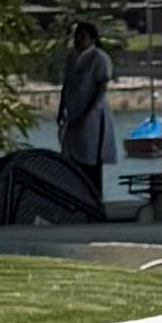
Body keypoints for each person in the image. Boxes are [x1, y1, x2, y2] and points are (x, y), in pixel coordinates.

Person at [54, 16, 113, 205]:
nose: (78, 40)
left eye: (83, 36)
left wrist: (87, 114)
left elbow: (101, 88)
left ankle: (96, 200)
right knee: (72, 158)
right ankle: (77, 200)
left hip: (93, 117)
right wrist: (61, 109)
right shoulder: (72, 58)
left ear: (92, 38)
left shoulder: (99, 58)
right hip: (73, 115)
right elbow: (67, 85)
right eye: (76, 36)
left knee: (91, 159)